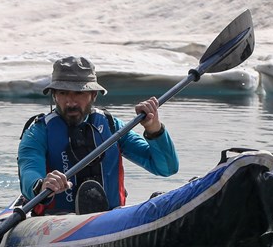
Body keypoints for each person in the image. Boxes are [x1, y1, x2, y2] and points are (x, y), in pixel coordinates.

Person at [18, 55, 179, 215]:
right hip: (55, 221)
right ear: (54, 95)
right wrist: (41, 185)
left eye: (79, 93)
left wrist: (154, 129)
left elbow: (166, 168)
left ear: (94, 94)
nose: (71, 102)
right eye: (63, 93)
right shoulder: (37, 132)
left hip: (110, 217)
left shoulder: (112, 126)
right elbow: (29, 169)